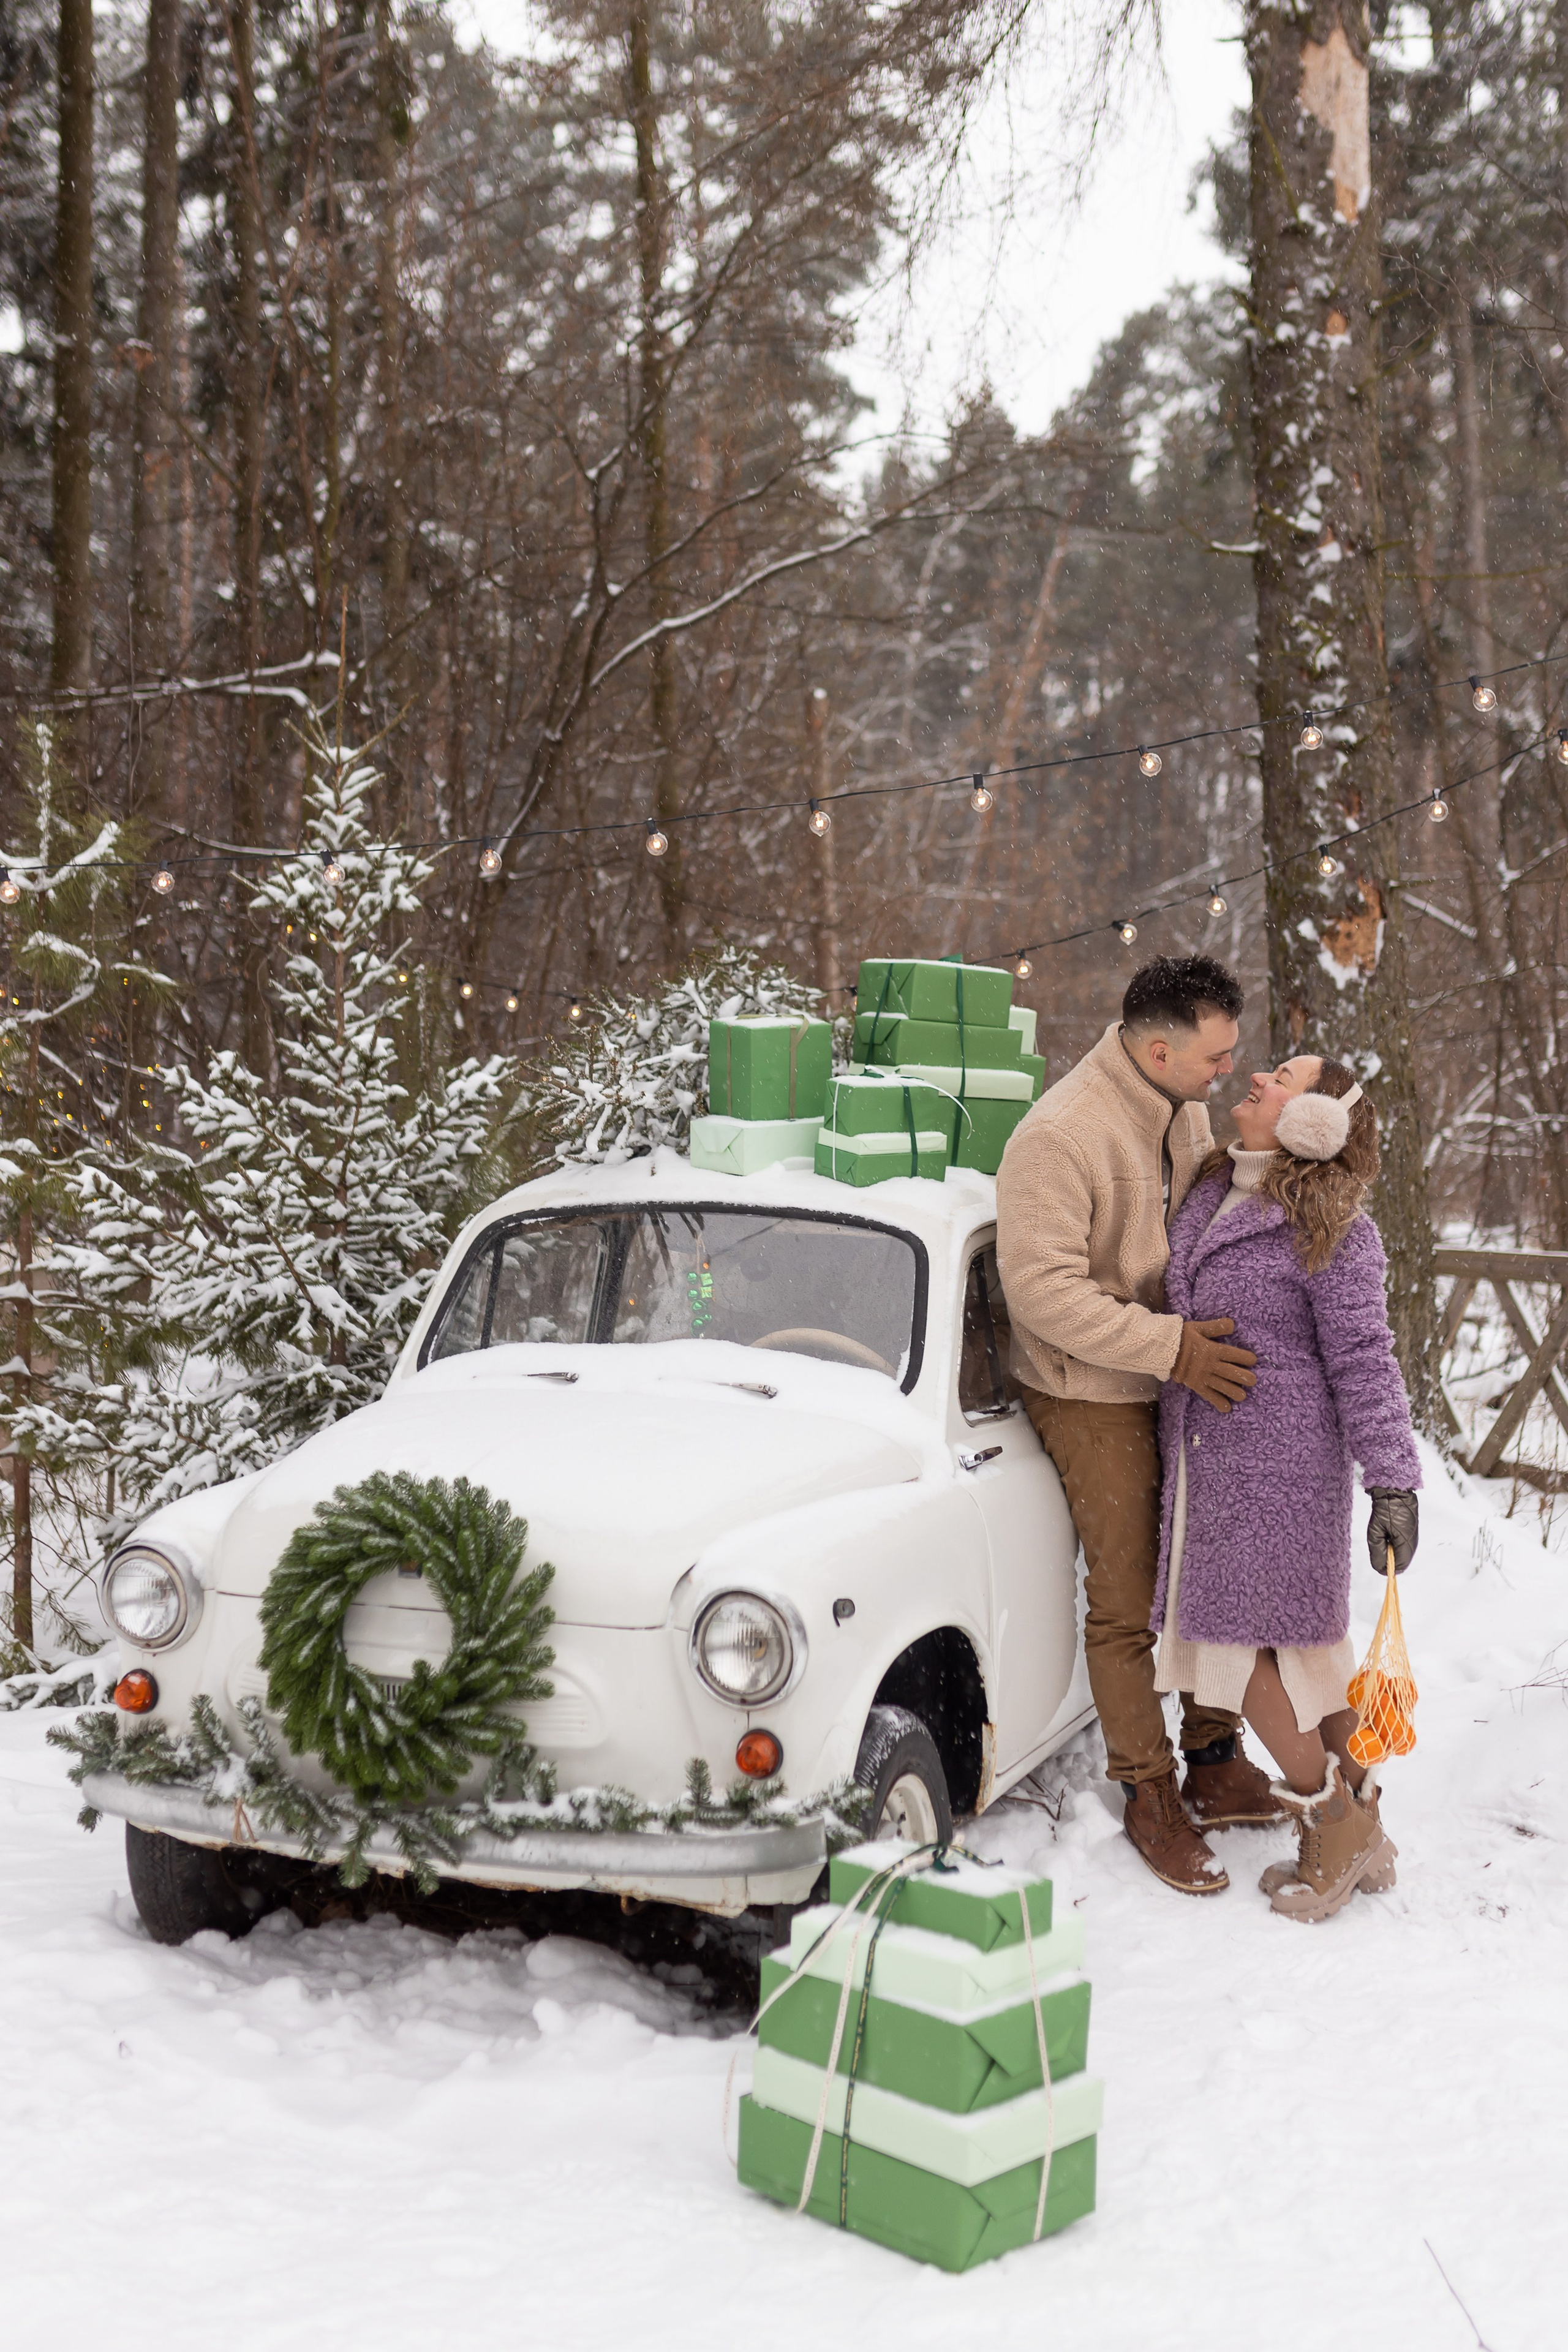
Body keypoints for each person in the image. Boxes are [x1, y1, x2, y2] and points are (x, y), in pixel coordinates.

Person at [997, 956, 1281, 1898]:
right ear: (1160, 1049)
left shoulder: (1178, 1102)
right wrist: (1172, 1349)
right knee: (1126, 1592)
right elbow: (1039, 1293)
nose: (1225, 1074)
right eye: (1216, 1057)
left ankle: (1215, 1760)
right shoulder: (1061, 1137)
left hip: (1168, 1361)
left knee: (1201, 1565)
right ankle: (1148, 1793)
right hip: (1088, 1384)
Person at [1149, 1055, 1421, 1921]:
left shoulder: (1334, 1230)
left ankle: (1330, 1826)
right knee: (1300, 1657)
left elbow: (1365, 1362)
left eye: (1282, 1075)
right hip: (1211, 1464)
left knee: (1247, 1652)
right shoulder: (1213, 1188)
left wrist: (1394, 1481)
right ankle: (1364, 1827)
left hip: (1281, 1474)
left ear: (1312, 1123)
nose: (1259, 1074)